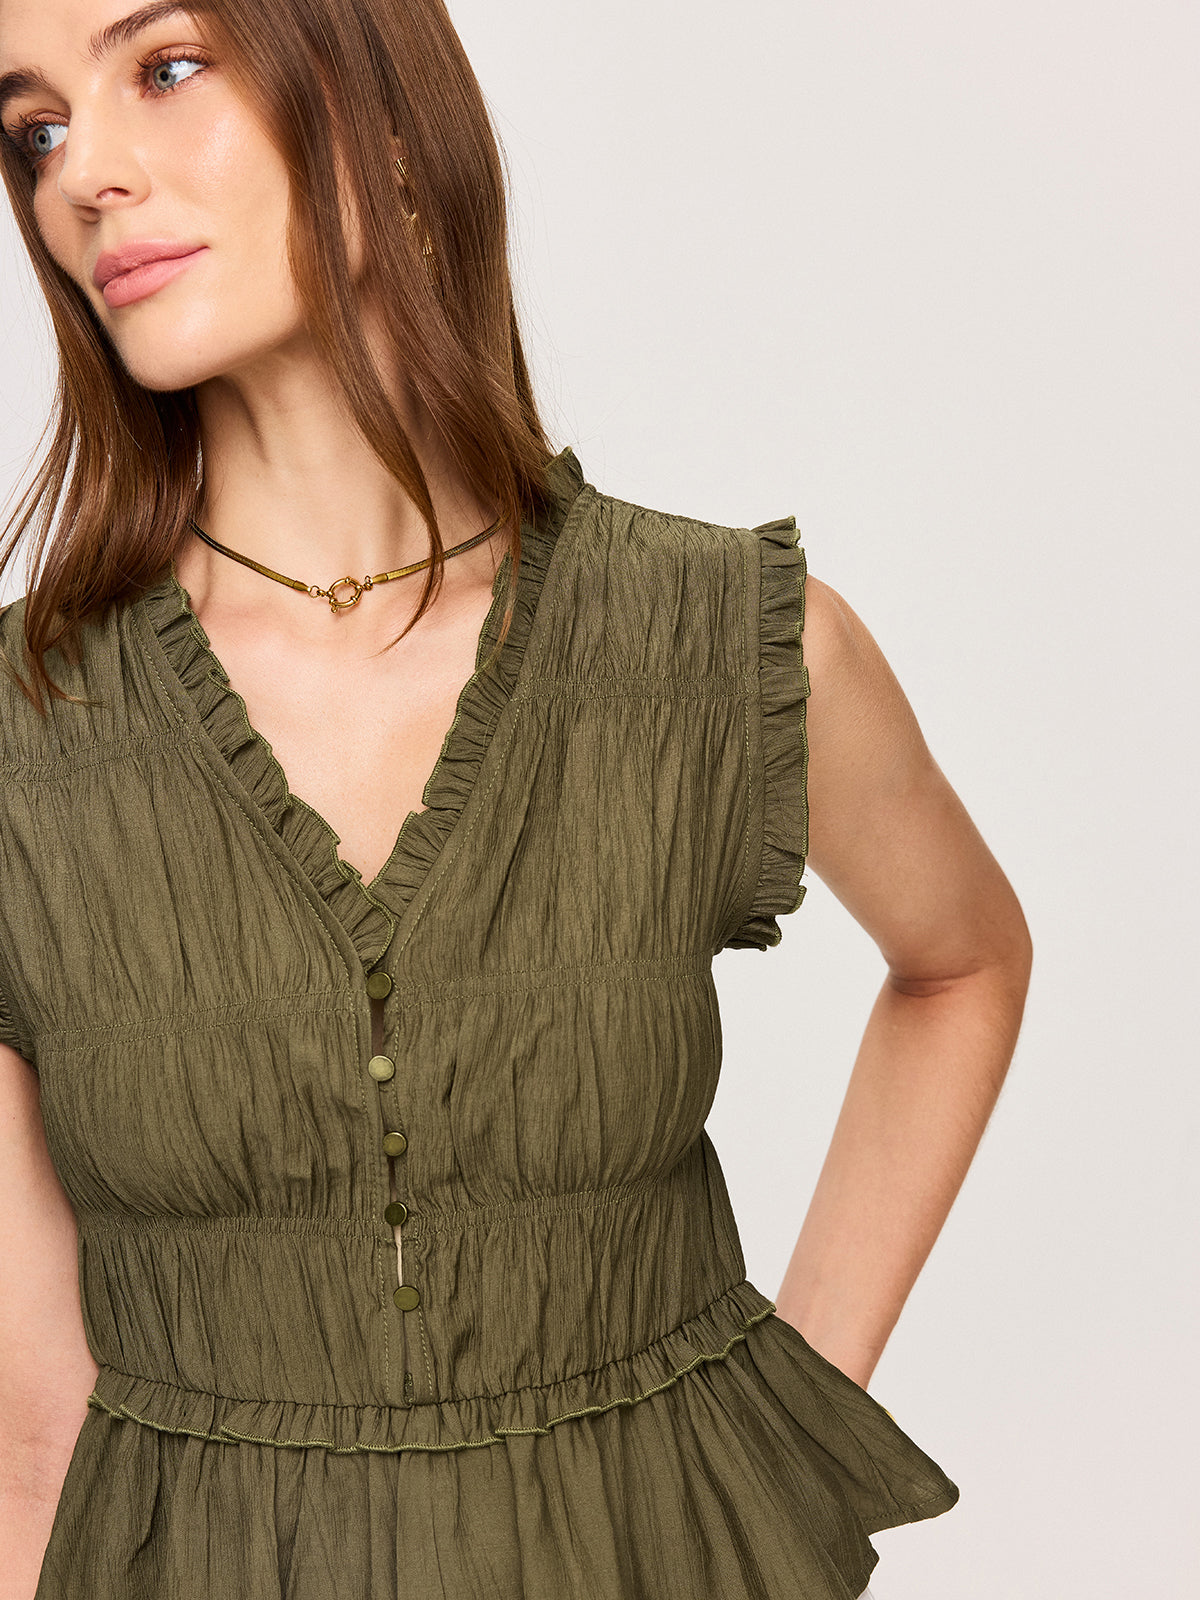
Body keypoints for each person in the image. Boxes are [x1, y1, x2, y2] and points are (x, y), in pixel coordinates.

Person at [0, 2, 1033, 1597]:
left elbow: (963, 960)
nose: (84, 176)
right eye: (37, 129)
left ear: (382, 112)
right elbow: (35, 1438)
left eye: (167, 66)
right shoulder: (26, 735)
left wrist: (794, 1417)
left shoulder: (715, 641)